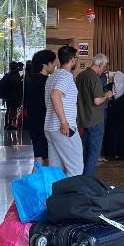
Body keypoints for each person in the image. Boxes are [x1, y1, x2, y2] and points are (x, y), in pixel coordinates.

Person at [45, 46, 83, 175]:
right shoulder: (66, 76)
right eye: (76, 58)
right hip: (63, 129)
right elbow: (55, 96)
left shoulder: (51, 77)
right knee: (76, 168)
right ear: (72, 59)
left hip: (50, 128)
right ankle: (72, 189)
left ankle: (57, 189)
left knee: (56, 171)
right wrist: (64, 122)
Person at [76, 54, 114, 177]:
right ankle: (87, 180)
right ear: (99, 64)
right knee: (93, 153)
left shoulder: (80, 76)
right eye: (104, 66)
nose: (104, 69)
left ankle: (82, 177)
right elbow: (97, 100)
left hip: (83, 119)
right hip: (95, 119)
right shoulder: (95, 77)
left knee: (85, 152)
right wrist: (107, 95)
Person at [26, 49, 56, 164]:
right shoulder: (46, 82)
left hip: (34, 121)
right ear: (44, 65)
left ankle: (37, 175)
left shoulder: (31, 79)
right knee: (46, 157)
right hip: (43, 122)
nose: (54, 65)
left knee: (39, 157)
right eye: (52, 63)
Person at [104, 71, 124, 160]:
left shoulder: (109, 86)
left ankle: (111, 153)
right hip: (123, 115)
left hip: (111, 114)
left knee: (111, 133)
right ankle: (122, 154)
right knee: (122, 133)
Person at [0, 62, 24, 130]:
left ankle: (6, 124)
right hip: (13, 95)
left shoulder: (8, 74)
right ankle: (9, 125)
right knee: (12, 110)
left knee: (8, 110)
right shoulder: (15, 74)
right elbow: (17, 85)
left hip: (7, 95)